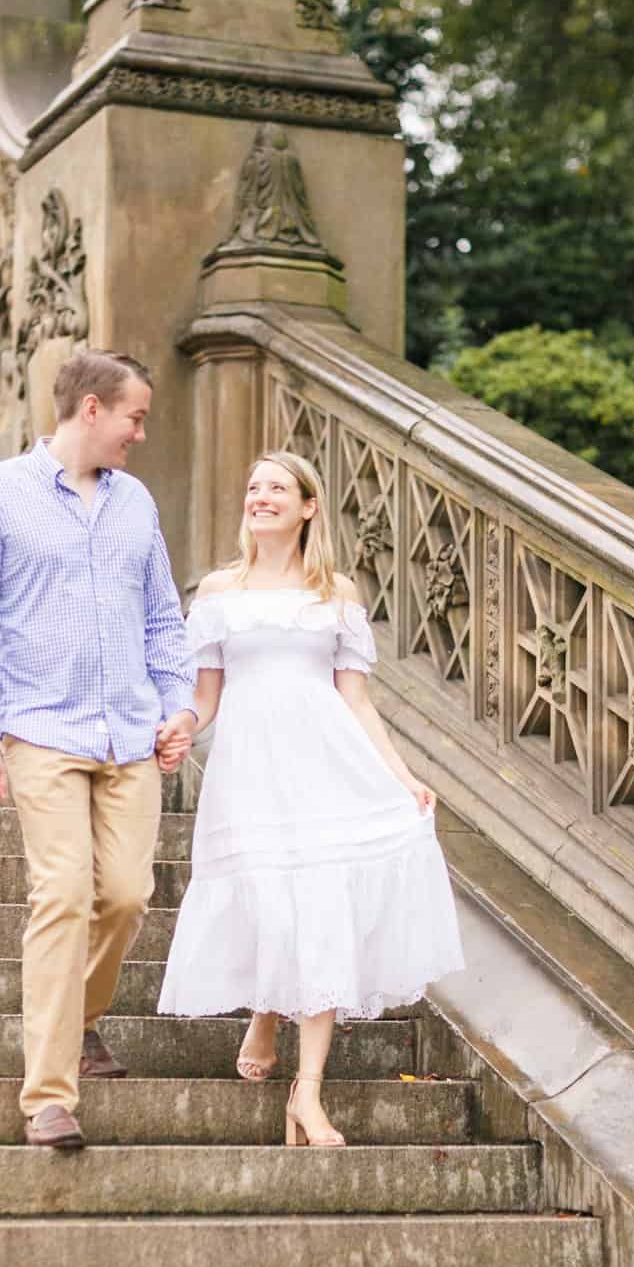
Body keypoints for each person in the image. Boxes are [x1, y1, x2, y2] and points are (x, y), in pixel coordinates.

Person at [157, 450, 464, 1147]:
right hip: (250, 770)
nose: (259, 496)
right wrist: (179, 726)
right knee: (269, 895)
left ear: (308, 506)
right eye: (253, 485)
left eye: (276, 487)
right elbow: (204, 698)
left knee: (322, 908)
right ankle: (266, 1010)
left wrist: (401, 773)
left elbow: (355, 698)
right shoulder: (216, 593)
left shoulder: (339, 595)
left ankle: (309, 1093)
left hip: (326, 764)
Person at [0, 349, 196, 1149]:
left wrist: (178, 707)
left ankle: (79, 1017)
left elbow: (164, 618)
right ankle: (47, 1098)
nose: (141, 432)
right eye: (136, 416)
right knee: (61, 894)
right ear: (92, 410)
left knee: (124, 895)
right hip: (42, 729)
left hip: (129, 731)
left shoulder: (136, 504)